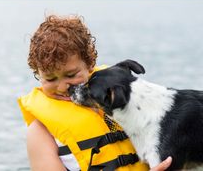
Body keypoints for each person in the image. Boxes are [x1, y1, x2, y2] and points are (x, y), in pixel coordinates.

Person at [18, 14, 172, 171]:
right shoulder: (39, 133)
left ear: (90, 64)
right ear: (38, 75)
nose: (62, 87)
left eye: (71, 75)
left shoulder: (119, 99)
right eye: (50, 79)